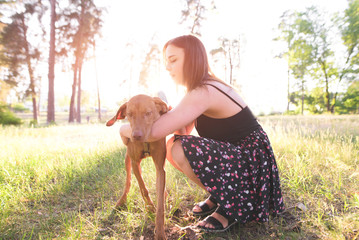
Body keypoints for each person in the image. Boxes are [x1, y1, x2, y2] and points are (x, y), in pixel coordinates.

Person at [120, 35, 285, 232]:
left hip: (252, 166)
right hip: (247, 160)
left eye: (173, 60)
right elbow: (181, 130)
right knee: (176, 143)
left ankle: (231, 206)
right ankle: (221, 195)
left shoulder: (204, 91)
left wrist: (124, 129)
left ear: (191, 59)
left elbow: (154, 133)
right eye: (166, 62)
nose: (168, 67)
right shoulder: (201, 89)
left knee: (179, 148)